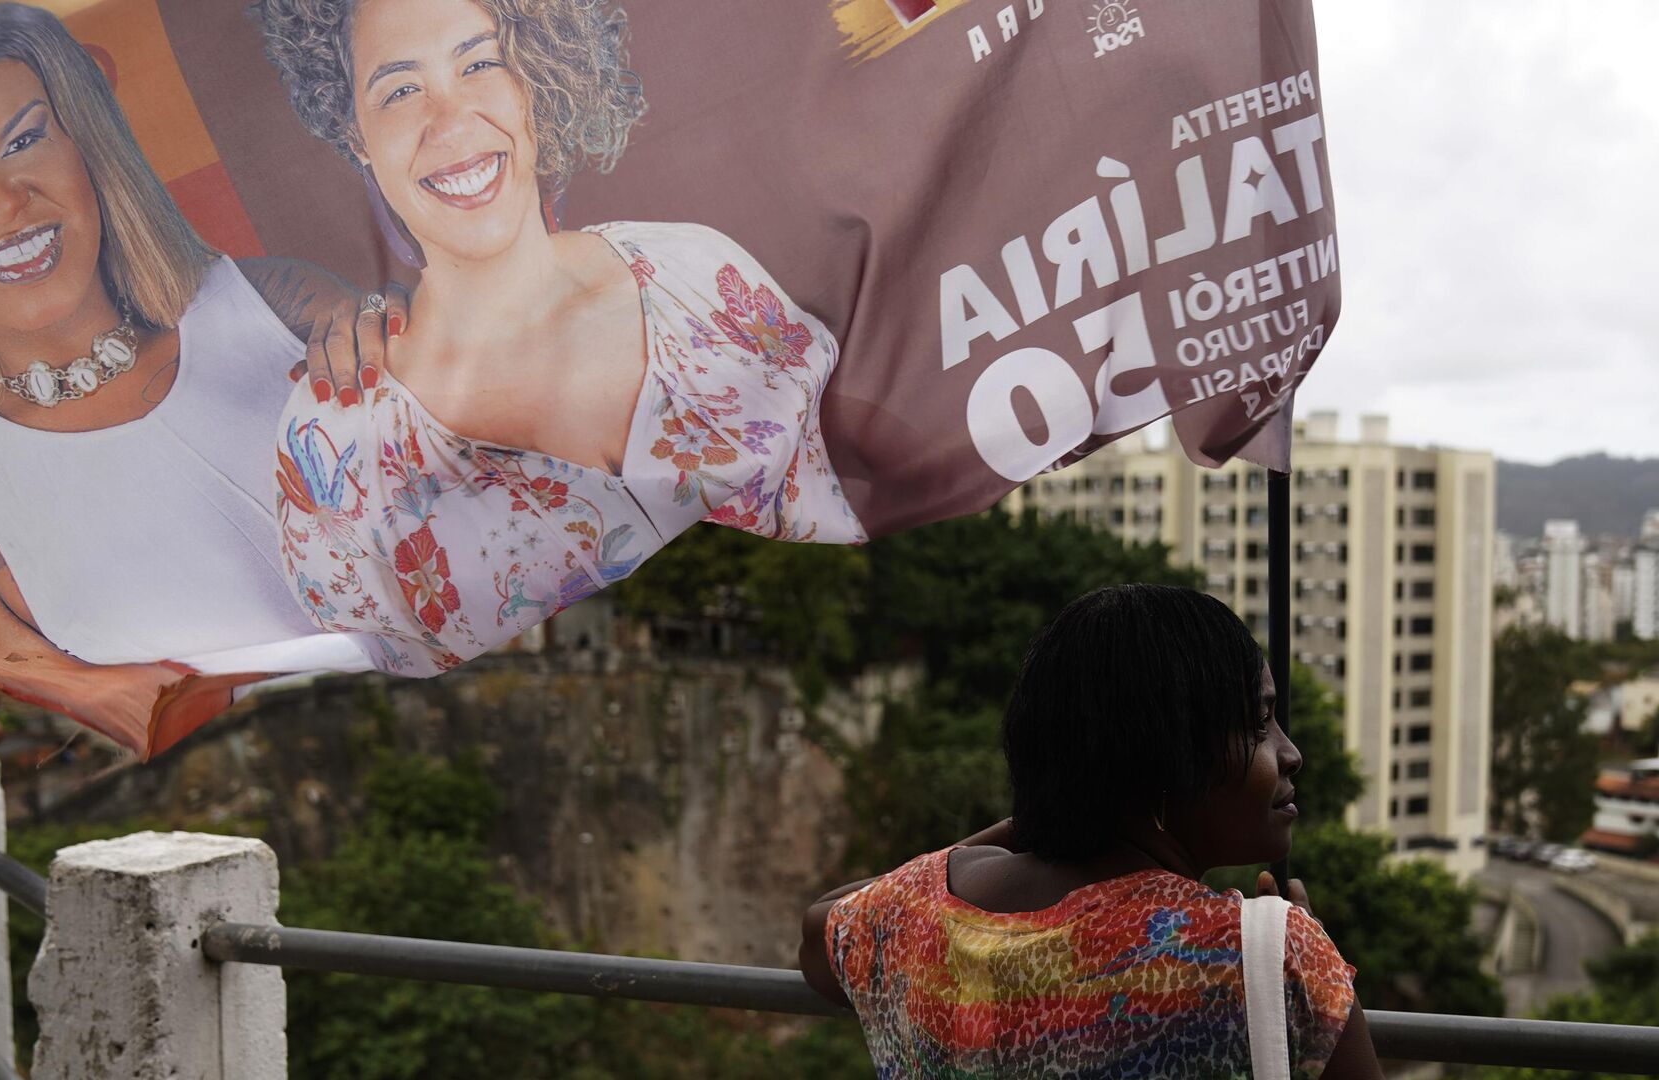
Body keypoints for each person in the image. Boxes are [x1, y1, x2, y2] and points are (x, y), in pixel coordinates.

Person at [255, 0, 865, 673]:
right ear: (355, 131)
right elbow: (342, 688)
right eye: (401, 90)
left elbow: (850, 502)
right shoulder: (332, 447)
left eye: (481, 63)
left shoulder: (694, 276)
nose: (451, 120)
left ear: (536, 75)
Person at [0, 3, 401, 752]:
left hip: (442, 752)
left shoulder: (282, 308)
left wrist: (405, 342)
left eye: (24, 141)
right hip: (222, 818)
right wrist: (78, 686)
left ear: (91, 153)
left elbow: (480, 462)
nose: (2, 203)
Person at [798, 585, 1382, 1079]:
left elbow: (821, 922)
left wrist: (1026, 824)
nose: (1291, 753)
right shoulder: (1266, 955)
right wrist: (1300, 952)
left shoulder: (916, 912)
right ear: (1167, 756)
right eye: (1260, 723)